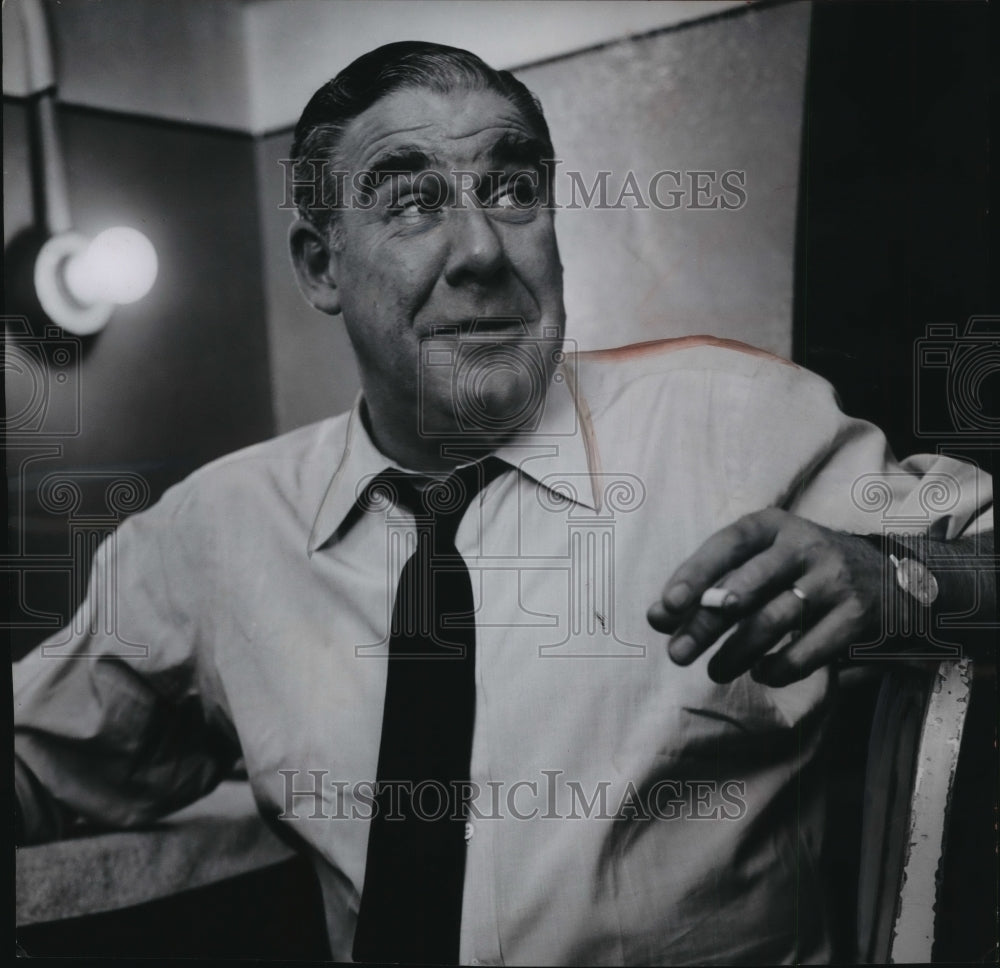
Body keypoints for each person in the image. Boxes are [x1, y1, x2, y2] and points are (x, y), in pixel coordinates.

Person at [14, 42, 994, 966]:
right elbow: (41, 760)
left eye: (513, 189)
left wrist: (902, 576)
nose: (482, 247)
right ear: (320, 266)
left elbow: (981, 558)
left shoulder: (737, 420)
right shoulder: (215, 532)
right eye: (411, 204)